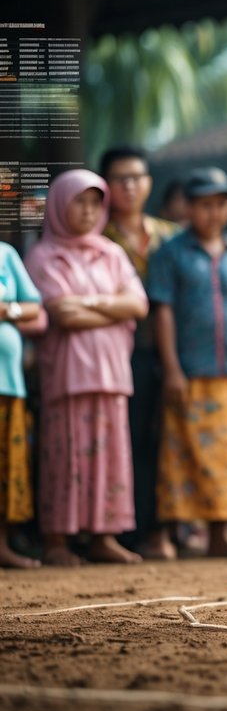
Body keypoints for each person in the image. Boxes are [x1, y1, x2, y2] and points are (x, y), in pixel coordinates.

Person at [26, 169, 149, 566]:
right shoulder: (44, 255)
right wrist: (110, 306)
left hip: (111, 371)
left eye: (95, 202)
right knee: (64, 453)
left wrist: (88, 303)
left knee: (110, 454)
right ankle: (57, 540)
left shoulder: (110, 252)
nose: (87, 209)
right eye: (79, 200)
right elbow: (62, 314)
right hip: (66, 372)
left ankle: (104, 535)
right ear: (60, 204)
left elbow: (138, 305)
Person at [147, 168, 227, 558]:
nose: (214, 213)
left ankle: (223, 535)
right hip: (192, 370)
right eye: (204, 205)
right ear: (188, 207)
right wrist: (171, 369)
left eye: (221, 204)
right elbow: (162, 312)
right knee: (183, 454)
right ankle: (169, 535)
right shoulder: (170, 252)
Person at [99, 145, 180, 559]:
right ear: (106, 185)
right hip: (114, 357)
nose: (129, 186)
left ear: (149, 183)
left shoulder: (171, 235)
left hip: (167, 355)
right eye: (120, 178)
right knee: (122, 440)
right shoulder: (94, 236)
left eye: (137, 177)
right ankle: (122, 531)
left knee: (164, 441)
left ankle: (159, 531)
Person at [0, 240, 43, 568]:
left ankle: (1, 543)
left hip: (7, 382)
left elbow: (33, 308)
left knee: (5, 464)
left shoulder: (6, 253)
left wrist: (5, 309)